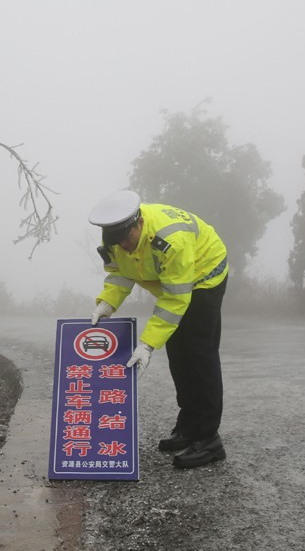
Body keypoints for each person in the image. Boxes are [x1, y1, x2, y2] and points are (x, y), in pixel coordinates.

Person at [87, 190, 229, 469]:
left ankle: (209, 439)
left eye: (127, 241)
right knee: (178, 354)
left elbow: (175, 299)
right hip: (175, 284)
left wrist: (148, 344)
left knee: (199, 355)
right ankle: (189, 425)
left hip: (204, 275)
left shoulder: (171, 240)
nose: (125, 248)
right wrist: (107, 302)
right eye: (118, 244)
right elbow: (120, 273)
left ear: (139, 224)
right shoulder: (116, 237)